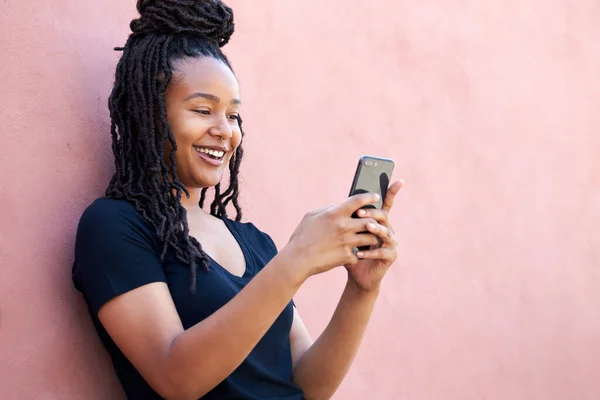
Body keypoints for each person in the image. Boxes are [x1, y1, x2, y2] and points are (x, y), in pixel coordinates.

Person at [72, 1, 404, 399]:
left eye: (233, 116)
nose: (224, 130)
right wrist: (296, 260)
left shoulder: (255, 243)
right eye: (202, 110)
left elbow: (309, 388)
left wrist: (362, 291)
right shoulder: (115, 226)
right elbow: (176, 379)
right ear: (149, 114)